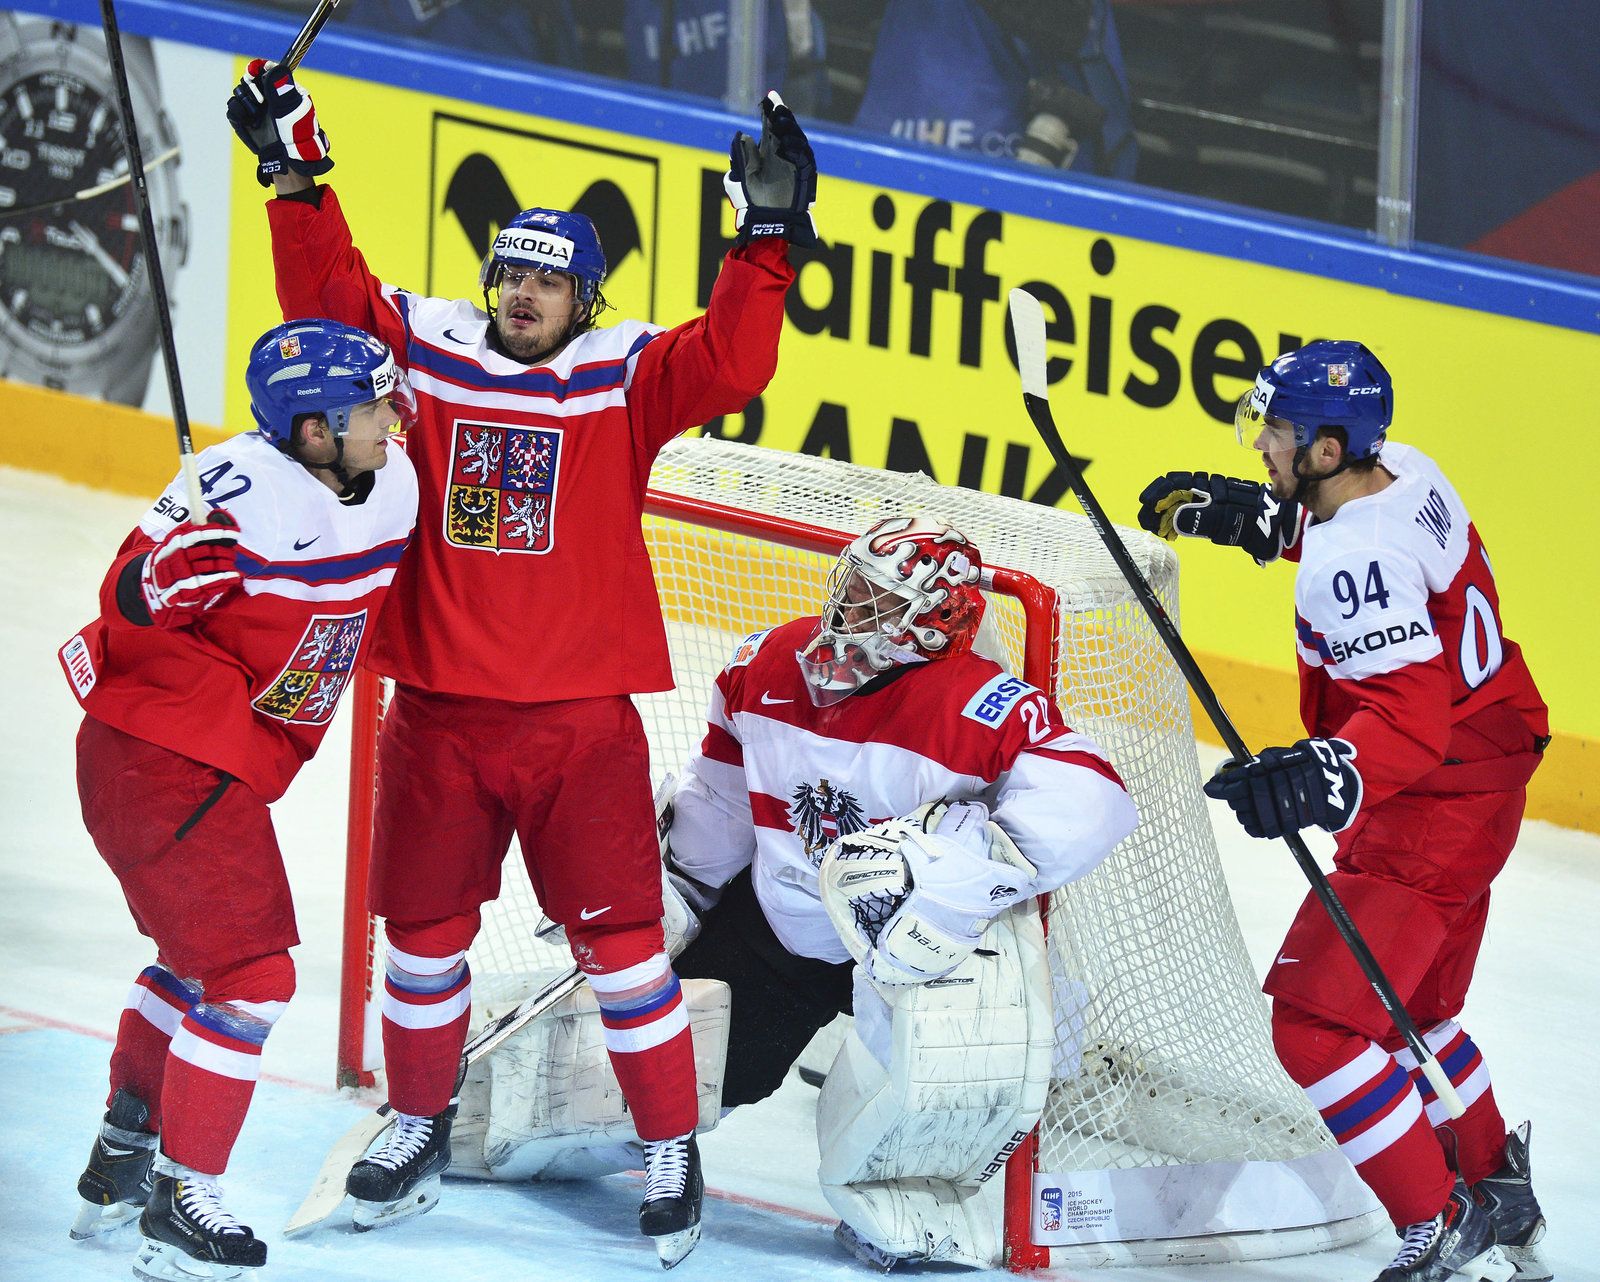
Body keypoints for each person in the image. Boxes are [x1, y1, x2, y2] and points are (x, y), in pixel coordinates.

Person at [226, 60, 814, 1261]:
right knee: (422, 939)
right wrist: (293, 171)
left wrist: (764, 237)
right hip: (436, 715)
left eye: (551, 278)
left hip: (577, 728)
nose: (525, 293)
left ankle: (668, 1142)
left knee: (626, 954)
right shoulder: (428, 352)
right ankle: (416, 1118)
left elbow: (736, 362)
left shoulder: (628, 374)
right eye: (513, 272)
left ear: (586, 298)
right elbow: (327, 298)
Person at [1136, 342, 1550, 1282]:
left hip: (1432, 802)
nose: (1263, 448)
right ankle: (1499, 1191)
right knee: (1419, 1017)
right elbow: (1375, 548)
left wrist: (1321, 775)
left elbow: (1407, 718)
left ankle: (1444, 1221)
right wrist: (1269, 523)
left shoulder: (1351, 559)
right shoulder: (1405, 470)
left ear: (1328, 450)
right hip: (1484, 772)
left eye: (1279, 436)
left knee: (1316, 1028)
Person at [661, 514, 1139, 1267]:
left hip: (907, 949)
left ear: (937, 621)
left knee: (932, 1071)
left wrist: (957, 869)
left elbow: (1097, 802)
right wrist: (679, 884)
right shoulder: (767, 661)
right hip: (783, 921)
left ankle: (899, 1206)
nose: (849, 613)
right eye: (851, 589)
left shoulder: (983, 705)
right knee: (684, 1074)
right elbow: (721, 797)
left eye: (879, 603)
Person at [61, 320, 419, 1279]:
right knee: (253, 977)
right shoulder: (232, 487)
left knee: (193, 960)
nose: (396, 418)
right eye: (374, 406)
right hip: (156, 758)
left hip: (210, 761)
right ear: (312, 430)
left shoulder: (398, 483)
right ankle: (184, 1194)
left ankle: (123, 1154)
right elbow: (125, 593)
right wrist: (158, 580)